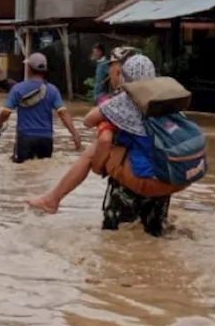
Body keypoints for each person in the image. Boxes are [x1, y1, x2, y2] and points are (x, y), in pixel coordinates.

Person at [27, 53, 187, 236]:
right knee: (153, 237)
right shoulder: (168, 103)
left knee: (114, 238)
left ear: (123, 75)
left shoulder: (121, 103)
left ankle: (52, 200)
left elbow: (94, 128)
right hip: (162, 179)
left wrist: (98, 165)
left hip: (130, 179)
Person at [0, 53, 82, 163]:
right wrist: (75, 134)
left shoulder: (18, 89)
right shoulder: (53, 90)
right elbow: (63, 114)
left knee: (21, 172)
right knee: (43, 170)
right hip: (46, 139)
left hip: (25, 138)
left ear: (29, 68)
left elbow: (5, 113)